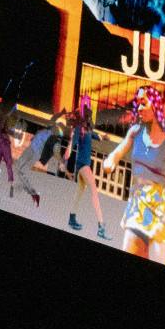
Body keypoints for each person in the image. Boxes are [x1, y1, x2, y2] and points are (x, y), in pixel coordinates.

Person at [99, 85, 165, 265]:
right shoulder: (134, 132)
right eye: (137, 104)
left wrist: (163, 223)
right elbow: (117, 152)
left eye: (143, 103)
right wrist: (110, 162)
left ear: (155, 105)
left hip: (160, 212)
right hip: (137, 208)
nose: (139, 108)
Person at [62, 93, 108, 239]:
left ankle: (71, 218)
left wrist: (103, 137)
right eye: (86, 106)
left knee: (80, 192)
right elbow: (73, 141)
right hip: (82, 165)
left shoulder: (87, 128)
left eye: (89, 106)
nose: (88, 109)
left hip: (84, 165)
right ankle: (101, 226)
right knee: (94, 189)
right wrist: (68, 150)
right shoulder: (79, 127)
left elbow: (95, 136)